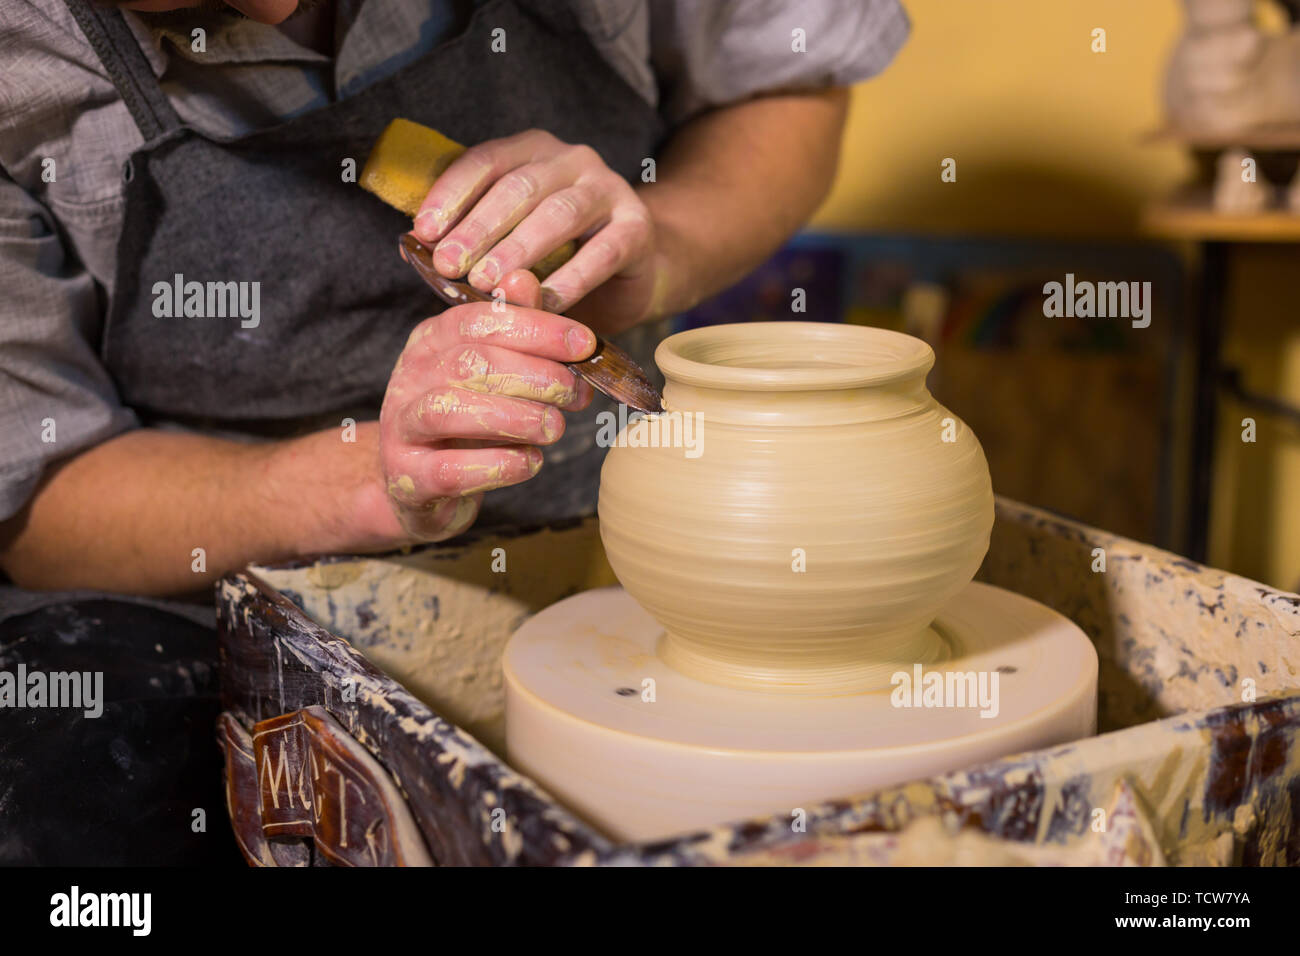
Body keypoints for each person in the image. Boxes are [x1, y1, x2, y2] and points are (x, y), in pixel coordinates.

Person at [0, 0, 908, 863]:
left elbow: (787, 80)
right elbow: (42, 497)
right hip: (199, 586)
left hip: (617, 546)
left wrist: (660, 251)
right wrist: (369, 479)